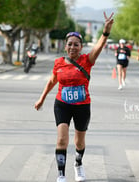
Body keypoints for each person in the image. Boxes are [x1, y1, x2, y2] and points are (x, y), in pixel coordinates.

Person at [34, 12, 114, 182]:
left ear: (81, 46)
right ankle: (61, 174)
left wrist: (105, 32)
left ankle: (78, 164)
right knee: (62, 139)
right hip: (62, 104)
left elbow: (98, 47)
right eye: (69, 44)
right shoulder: (58, 63)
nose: (72, 47)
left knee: (79, 142)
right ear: (65, 46)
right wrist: (41, 99)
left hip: (82, 106)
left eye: (76, 44)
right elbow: (51, 82)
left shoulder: (87, 60)